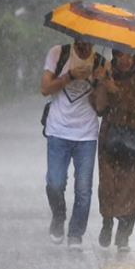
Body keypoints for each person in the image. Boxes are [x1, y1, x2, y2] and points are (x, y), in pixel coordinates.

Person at [40, 39, 108, 250]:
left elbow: (101, 108)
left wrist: (101, 82)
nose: (85, 46)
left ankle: (76, 234)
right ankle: (58, 216)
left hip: (86, 134)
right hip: (58, 131)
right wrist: (70, 76)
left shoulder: (100, 62)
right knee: (55, 183)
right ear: (75, 37)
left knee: (84, 189)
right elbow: (44, 88)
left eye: (90, 42)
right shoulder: (58, 53)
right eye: (82, 41)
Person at [90, 49, 135, 252]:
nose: (123, 59)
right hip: (110, 135)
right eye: (119, 54)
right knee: (108, 183)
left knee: (133, 188)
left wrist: (114, 89)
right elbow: (98, 108)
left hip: (134, 137)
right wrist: (99, 84)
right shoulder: (107, 71)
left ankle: (124, 235)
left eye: (128, 55)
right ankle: (107, 221)